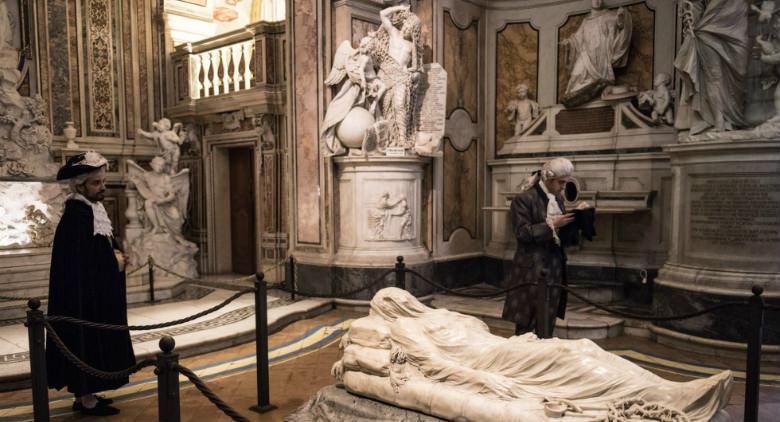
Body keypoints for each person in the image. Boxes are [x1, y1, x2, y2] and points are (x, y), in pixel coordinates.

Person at [47, 151, 136, 416]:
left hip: (94, 293)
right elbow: (82, 262)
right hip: (82, 297)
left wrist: (117, 254)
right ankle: (85, 398)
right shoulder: (76, 215)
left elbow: (98, 248)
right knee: (84, 343)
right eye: (97, 183)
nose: (103, 187)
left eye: (103, 181)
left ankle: (90, 392)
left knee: (95, 342)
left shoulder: (91, 209)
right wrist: (114, 263)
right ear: (80, 185)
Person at [502, 157, 588, 337]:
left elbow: (560, 235)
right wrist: (552, 224)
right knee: (527, 324)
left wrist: (579, 219)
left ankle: (544, 358)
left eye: (566, 182)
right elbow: (522, 233)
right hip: (532, 268)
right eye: (561, 182)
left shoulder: (558, 199)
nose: (563, 187)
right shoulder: (524, 199)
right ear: (548, 179)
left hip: (554, 267)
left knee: (548, 321)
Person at [561, 0, 632, 107]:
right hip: (585, 55)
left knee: (596, 79)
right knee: (576, 73)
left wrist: (621, 18)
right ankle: (571, 92)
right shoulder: (586, 21)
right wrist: (569, 43)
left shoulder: (609, 15)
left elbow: (621, 26)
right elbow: (577, 39)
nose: (597, 1)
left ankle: (596, 86)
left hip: (601, 56)